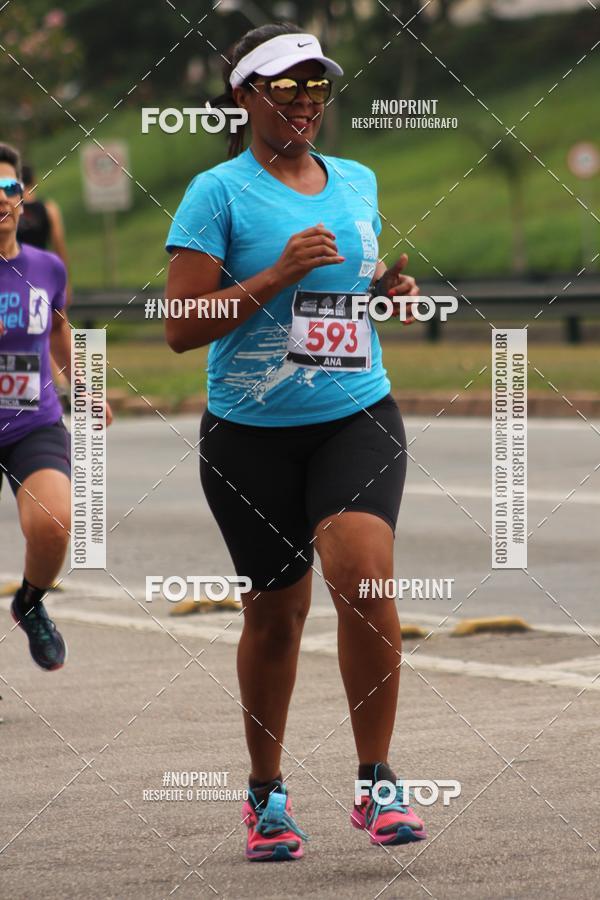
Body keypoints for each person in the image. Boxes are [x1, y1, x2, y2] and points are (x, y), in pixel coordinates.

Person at [164, 24, 426, 861]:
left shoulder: (357, 179)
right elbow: (179, 326)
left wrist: (385, 289)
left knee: (362, 569)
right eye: (288, 88)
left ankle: (377, 779)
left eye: (317, 87)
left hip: (357, 414)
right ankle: (266, 794)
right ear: (246, 97)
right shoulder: (217, 193)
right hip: (250, 438)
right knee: (276, 616)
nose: (307, 102)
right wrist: (275, 274)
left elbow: (353, 280)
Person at [0, 142, 111, 671]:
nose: (1, 200)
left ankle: (29, 602)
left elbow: (63, 334)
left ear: (24, 197)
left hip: (32, 423)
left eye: (9, 188)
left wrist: (89, 390)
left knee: (55, 521)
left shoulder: (47, 268)